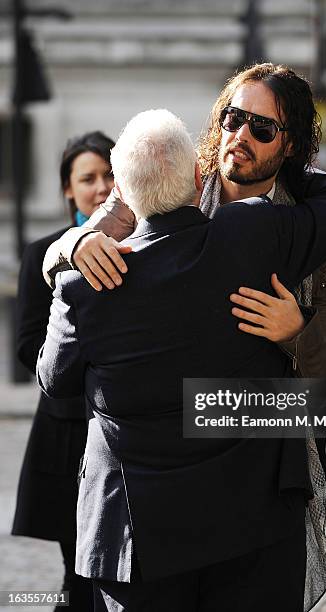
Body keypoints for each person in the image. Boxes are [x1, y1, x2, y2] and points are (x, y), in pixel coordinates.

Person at [37, 109, 326, 612]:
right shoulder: (251, 231)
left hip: (137, 535)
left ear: (119, 191)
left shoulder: (84, 286)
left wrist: (81, 238)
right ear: (198, 176)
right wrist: (282, 145)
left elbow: (53, 379)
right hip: (252, 520)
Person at [41, 63, 326, 477]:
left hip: (265, 456)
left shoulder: (311, 233)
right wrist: (77, 241)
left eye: (263, 128)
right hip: (162, 450)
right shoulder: (173, 185)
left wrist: (297, 332)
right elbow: (59, 256)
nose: (241, 136)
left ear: (289, 146)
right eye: (234, 118)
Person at [12, 131, 116, 611]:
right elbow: (27, 346)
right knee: (76, 575)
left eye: (109, 175)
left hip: (123, 433)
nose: (99, 187)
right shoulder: (42, 254)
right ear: (68, 190)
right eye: (87, 178)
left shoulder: (142, 247)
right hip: (64, 432)